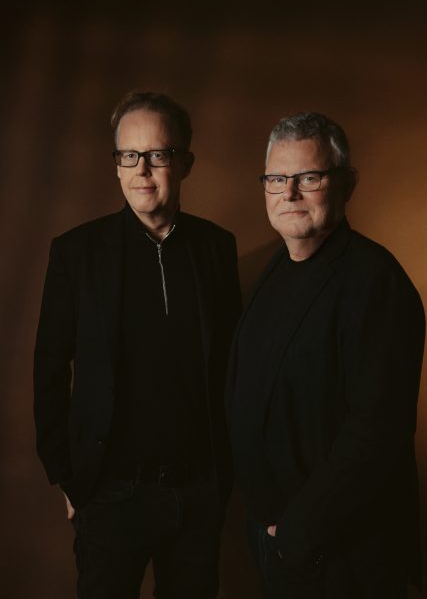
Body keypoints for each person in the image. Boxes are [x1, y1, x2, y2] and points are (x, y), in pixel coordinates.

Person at [34, 91, 241, 599]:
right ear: (116, 165)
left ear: (185, 163)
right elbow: (49, 365)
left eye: (157, 154)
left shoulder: (217, 248)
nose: (141, 170)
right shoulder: (77, 253)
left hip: (197, 492)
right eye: (129, 155)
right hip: (110, 493)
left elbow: (234, 367)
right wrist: (67, 475)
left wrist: (224, 478)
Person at [228, 112, 425, 598]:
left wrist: (296, 534)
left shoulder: (374, 281)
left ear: (346, 184)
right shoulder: (279, 264)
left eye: (309, 177)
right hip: (277, 540)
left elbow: (376, 433)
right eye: (277, 179)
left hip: (335, 551)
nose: (290, 193)